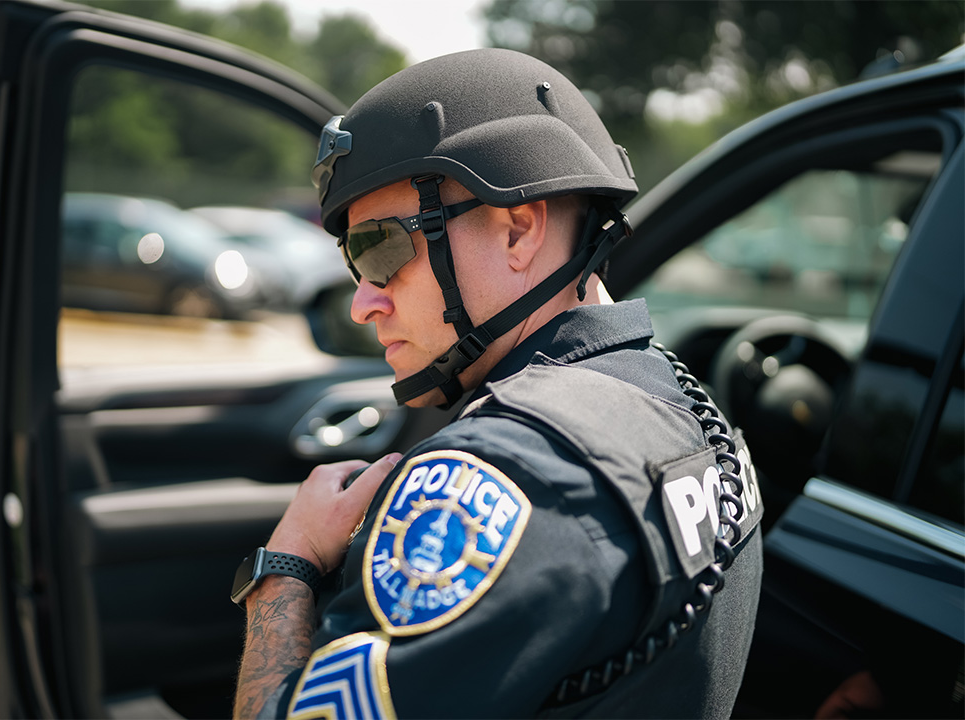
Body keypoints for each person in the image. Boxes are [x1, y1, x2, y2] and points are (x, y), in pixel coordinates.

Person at [231, 48, 764, 719]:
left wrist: (288, 564)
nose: (362, 302)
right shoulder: (683, 405)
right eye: (352, 262)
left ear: (518, 229)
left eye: (379, 250)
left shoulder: (502, 473)